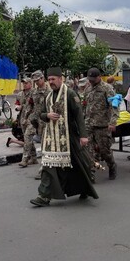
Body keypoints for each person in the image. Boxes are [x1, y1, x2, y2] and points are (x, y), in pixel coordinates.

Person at [30, 67, 98, 207]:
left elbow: (79, 115)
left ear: (61, 79)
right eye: (49, 80)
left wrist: (83, 136)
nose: (51, 82)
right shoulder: (48, 96)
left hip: (69, 136)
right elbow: (42, 114)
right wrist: (47, 116)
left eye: (53, 79)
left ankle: (84, 188)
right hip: (52, 139)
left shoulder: (70, 94)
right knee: (48, 165)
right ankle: (44, 196)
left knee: (78, 165)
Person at [83, 67, 119, 180]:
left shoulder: (107, 89)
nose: (91, 81)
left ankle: (112, 165)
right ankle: (91, 174)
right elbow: (84, 106)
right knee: (89, 151)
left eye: (93, 78)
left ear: (99, 77)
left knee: (104, 151)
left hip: (102, 125)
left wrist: (113, 122)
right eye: (90, 79)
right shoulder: (87, 89)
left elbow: (114, 107)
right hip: (88, 125)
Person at [19, 70, 48, 168]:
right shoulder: (34, 92)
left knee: (44, 144)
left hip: (46, 121)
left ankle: (44, 167)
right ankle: (28, 158)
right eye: (35, 81)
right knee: (27, 137)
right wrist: (26, 117)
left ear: (43, 78)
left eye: (38, 80)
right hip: (34, 120)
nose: (36, 83)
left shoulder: (49, 91)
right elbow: (30, 105)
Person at [7, 76, 33, 147]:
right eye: (23, 83)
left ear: (31, 84)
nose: (24, 85)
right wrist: (19, 108)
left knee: (28, 138)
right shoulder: (19, 95)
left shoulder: (34, 93)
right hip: (22, 118)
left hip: (31, 118)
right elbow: (16, 105)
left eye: (26, 83)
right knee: (26, 138)